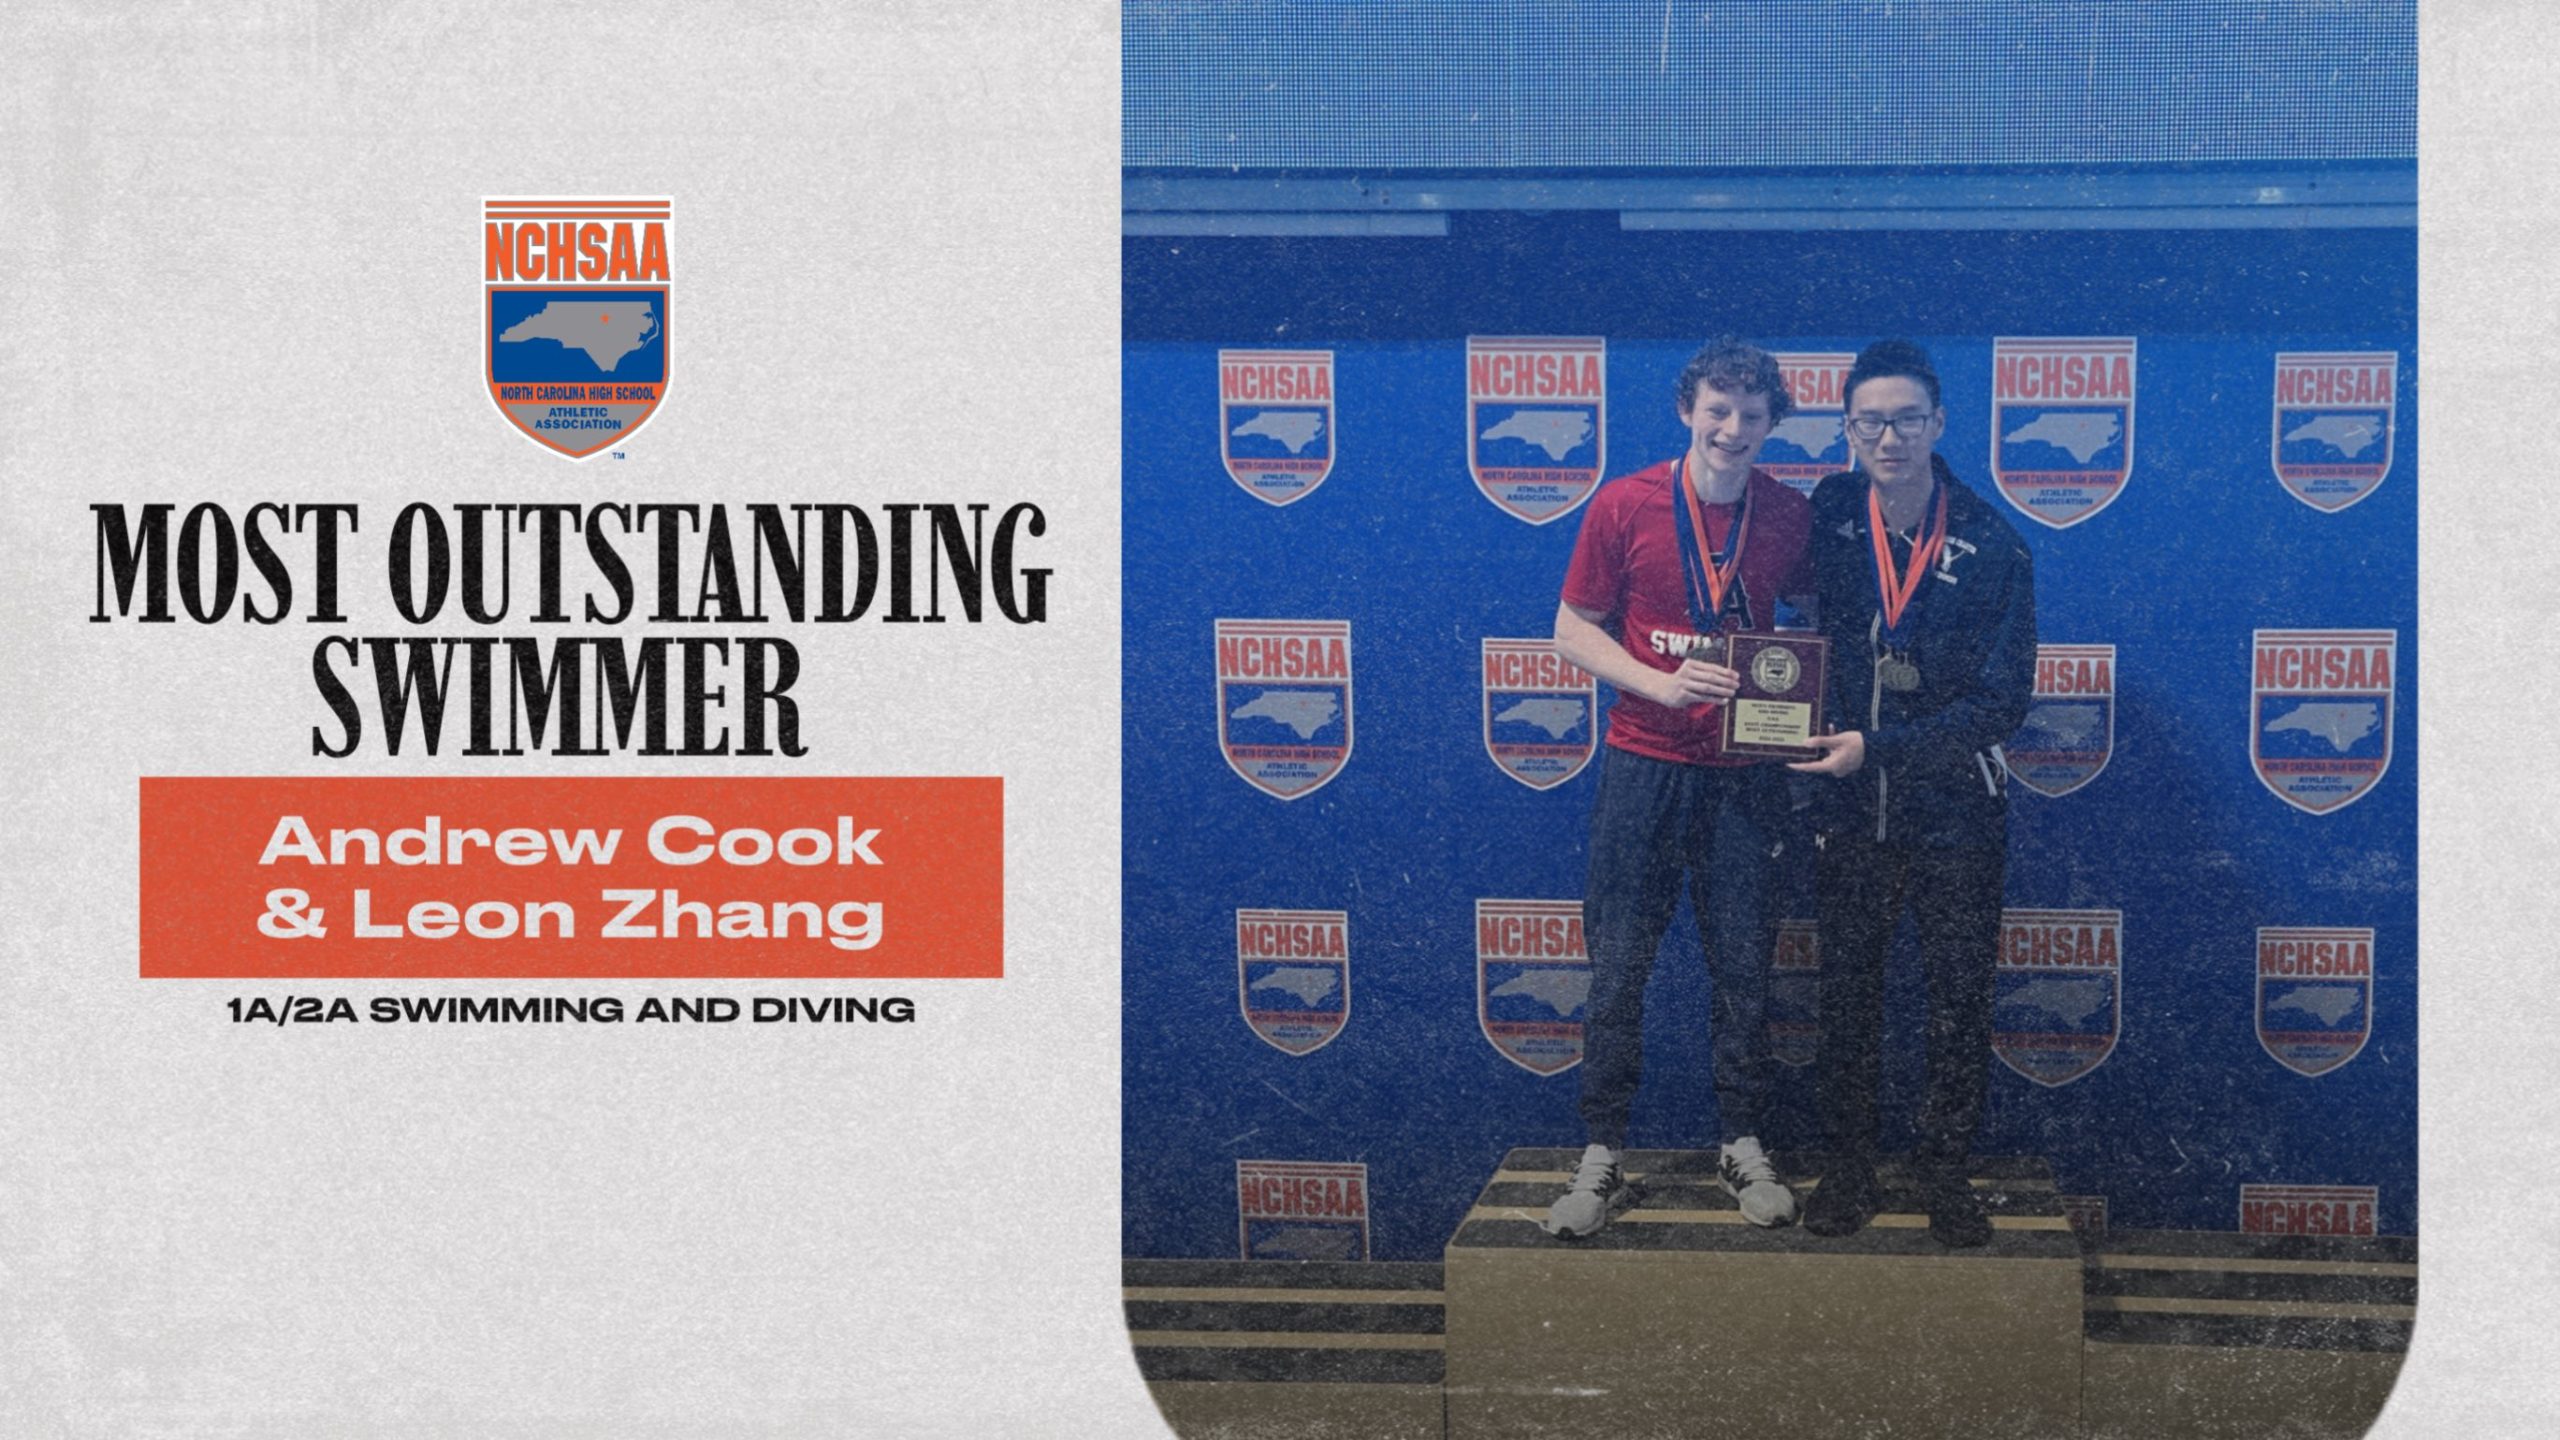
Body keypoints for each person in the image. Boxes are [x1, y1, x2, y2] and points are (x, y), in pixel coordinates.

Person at [1542, 337, 1815, 1238]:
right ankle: (1601, 1151)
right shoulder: (1624, 503)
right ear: (1686, 410)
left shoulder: (1788, 514)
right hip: (1645, 764)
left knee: (1744, 968)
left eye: (1751, 414)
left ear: (1772, 422)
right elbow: (1571, 630)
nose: (1733, 429)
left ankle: (1742, 1140)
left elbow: (1814, 624)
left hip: (1745, 779)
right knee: (1619, 967)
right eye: (1717, 410)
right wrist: (1660, 685)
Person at [1786, 339, 2037, 1248]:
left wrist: (1880, 749)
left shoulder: (1995, 542)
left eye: (1905, 420)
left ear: (1939, 424)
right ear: (1847, 429)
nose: (1888, 439)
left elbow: (2002, 704)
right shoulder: (1829, 515)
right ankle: (1848, 1170)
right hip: (1850, 811)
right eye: (1869, 423)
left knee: (1957, 1000)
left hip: (1954, 813)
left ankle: (1946, 1173)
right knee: (1848, 998)